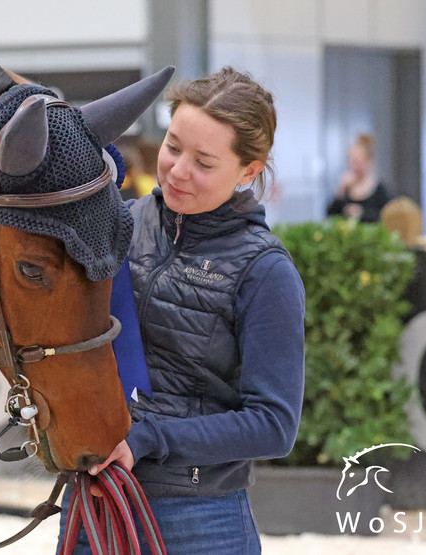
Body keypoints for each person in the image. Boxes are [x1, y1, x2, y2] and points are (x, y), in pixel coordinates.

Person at [58, 67, 305, 554]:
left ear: (249, 171)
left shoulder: (264, 271)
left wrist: (152, 438)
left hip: (200, 519)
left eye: (205, 162)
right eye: (173, 147)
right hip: (94, 502)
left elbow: (275, 425)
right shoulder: (120, 224)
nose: (178, 170)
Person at [326, 133, 392, 222]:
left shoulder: (379, 189)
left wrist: (362, 213)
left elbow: (388, 216)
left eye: (357, 162)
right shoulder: (345, 188)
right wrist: (339, 192)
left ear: (368, 162)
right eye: (351, 161)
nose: (354, 166)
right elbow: (330, 214)